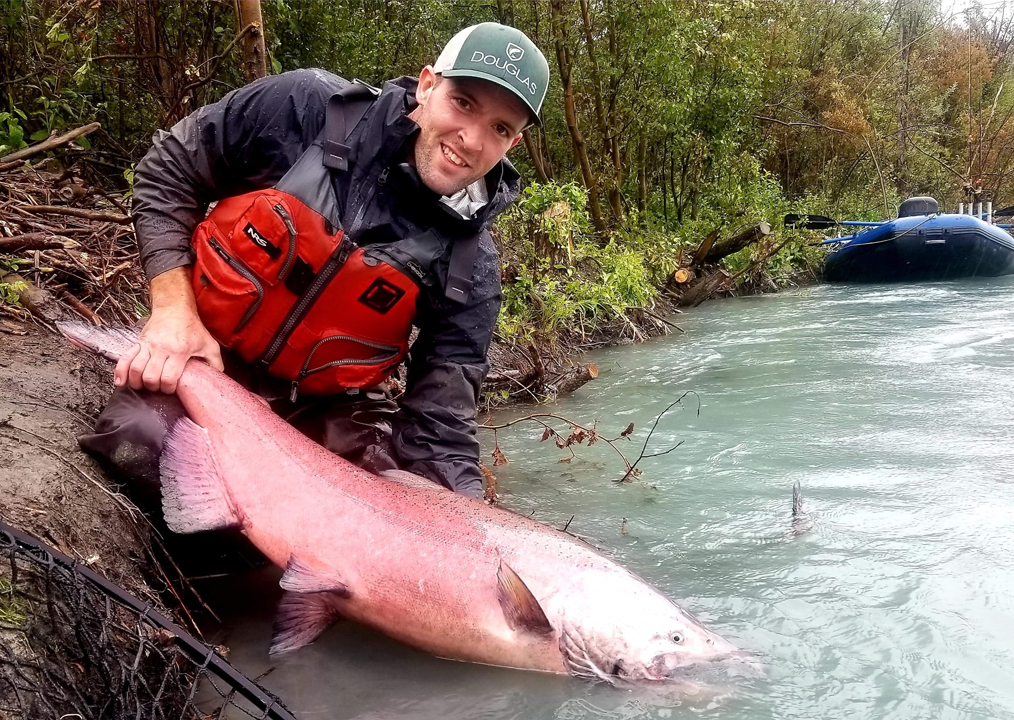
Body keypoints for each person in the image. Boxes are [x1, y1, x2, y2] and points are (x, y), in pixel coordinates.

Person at [80, 22, 550, 500]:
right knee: (142, 445)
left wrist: (465, 523)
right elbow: (170, 168)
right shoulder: (304, 109)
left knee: (371, 529)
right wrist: (173, 311)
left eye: (499, 128)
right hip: (209, 362)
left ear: (512, 144)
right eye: (463, 102)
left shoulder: (472, 266)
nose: (471, 138)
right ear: (427, 86)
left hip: (332, 413)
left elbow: (441, 428)